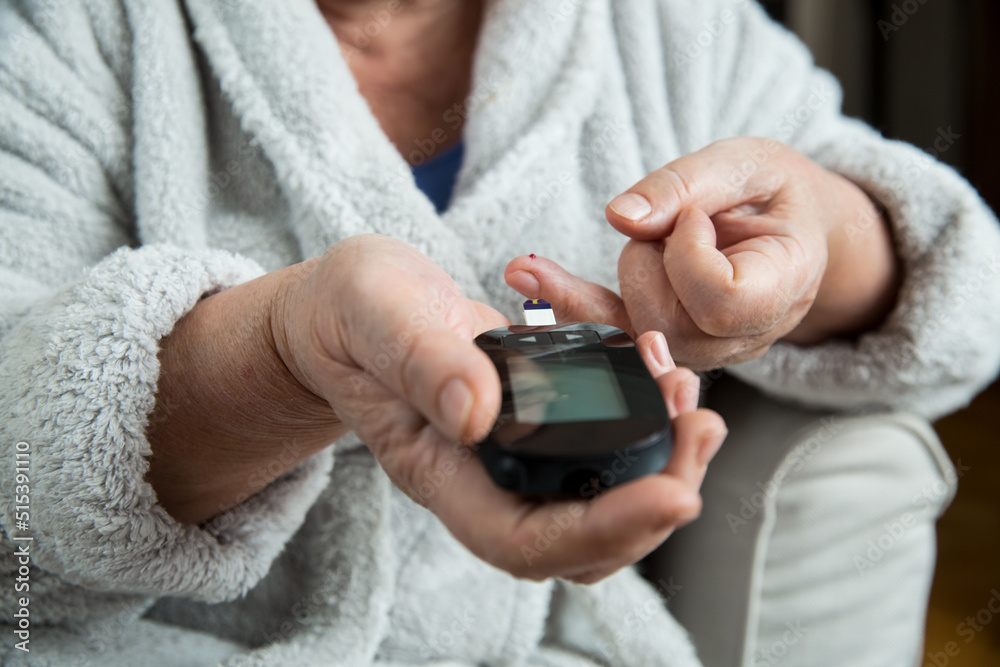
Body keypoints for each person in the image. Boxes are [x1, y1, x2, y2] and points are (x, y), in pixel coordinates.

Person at [1, 0, 998, 665]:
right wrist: (290, 355)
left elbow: (967, 302)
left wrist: (819, 247)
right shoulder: (60, 32)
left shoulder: (668, 26)